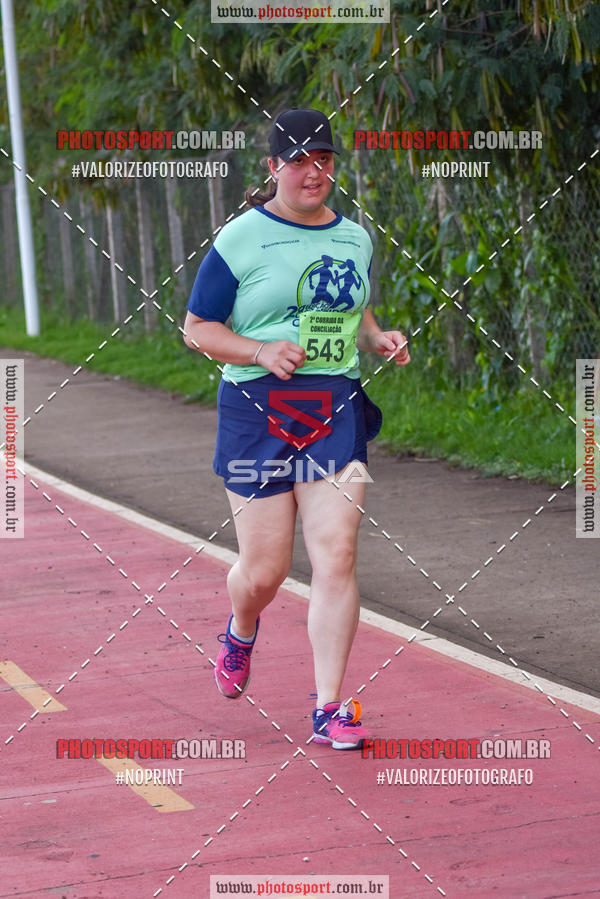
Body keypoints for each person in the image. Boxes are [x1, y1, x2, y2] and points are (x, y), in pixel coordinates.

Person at [182, 107, 410, 750]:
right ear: (274, 167)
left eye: (325, 160)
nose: (315, 173)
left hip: (333, 405)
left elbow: (354, 305)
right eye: (300, 161)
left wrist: (377, 337)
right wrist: (260, 351)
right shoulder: (241, 239)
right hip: (256, 412)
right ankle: (241, 628)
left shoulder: (354, 238)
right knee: (266, 570)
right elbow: (197, 328)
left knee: (337, 552)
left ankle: (330, 706)